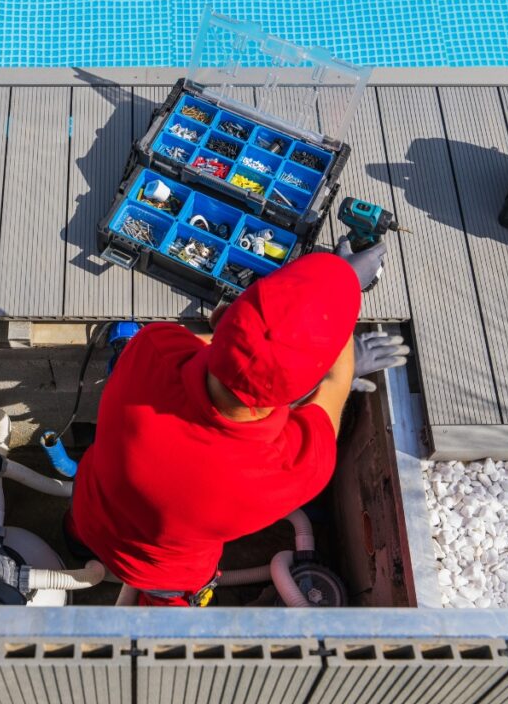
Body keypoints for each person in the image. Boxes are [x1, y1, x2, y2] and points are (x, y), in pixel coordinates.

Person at [65, 242, 409, 606]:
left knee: (81, 528)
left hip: (89, 509)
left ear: (220, 316)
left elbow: (235, 353)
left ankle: (71, 542)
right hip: (163, 575)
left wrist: (328, 281)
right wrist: (340, 296)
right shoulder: (291, 469)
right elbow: (333, 389)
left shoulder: (152, 349)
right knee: (170, 608)